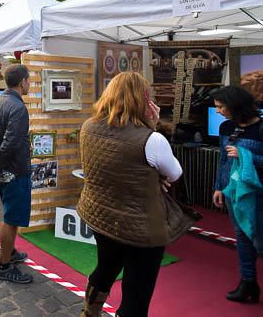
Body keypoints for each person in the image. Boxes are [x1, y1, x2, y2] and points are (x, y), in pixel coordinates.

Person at [77, 72, 198, 317]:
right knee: (136, 292)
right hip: (141, 227)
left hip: (101, 216)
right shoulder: (152, 139)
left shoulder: (88, 126)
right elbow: (174, 173)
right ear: (143, 100)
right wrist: (152, 130)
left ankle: (89, 312)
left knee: (106, 267)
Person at [0, 64, 34, 284]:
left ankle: (10, 252)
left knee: (8, 212)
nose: (29, 84)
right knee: (10, 219)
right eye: (29, 80)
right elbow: (10, 142)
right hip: (14, 170)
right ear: (22, 82)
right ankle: (3, 266)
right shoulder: (18, 107)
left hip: (3, 168)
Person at [212, 86, 263, 303]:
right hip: (233, 192)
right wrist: (218, 187)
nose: (218, 111)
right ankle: (248, 283)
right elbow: (223, 159)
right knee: (241, 237)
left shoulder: (261, 128)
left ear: (235, 105)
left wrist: (245, 156)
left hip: (258, 194)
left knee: (260, 239)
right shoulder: (226, 127)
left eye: (221, 107)